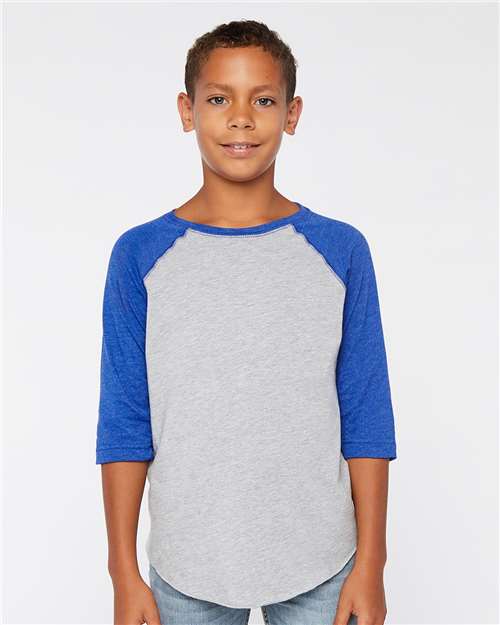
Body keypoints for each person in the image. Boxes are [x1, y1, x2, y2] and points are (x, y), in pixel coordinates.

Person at [96, 19, 397, 625]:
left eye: (262, 100)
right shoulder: (140, 255)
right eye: (218, 99)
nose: (240, 119)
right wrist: (123, 574)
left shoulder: (340, 251)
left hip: (323, 562)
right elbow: (125, 419)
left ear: (292, 113)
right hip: (187, 565)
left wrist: (371, 563)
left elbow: (366, 413)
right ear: (187, 111)